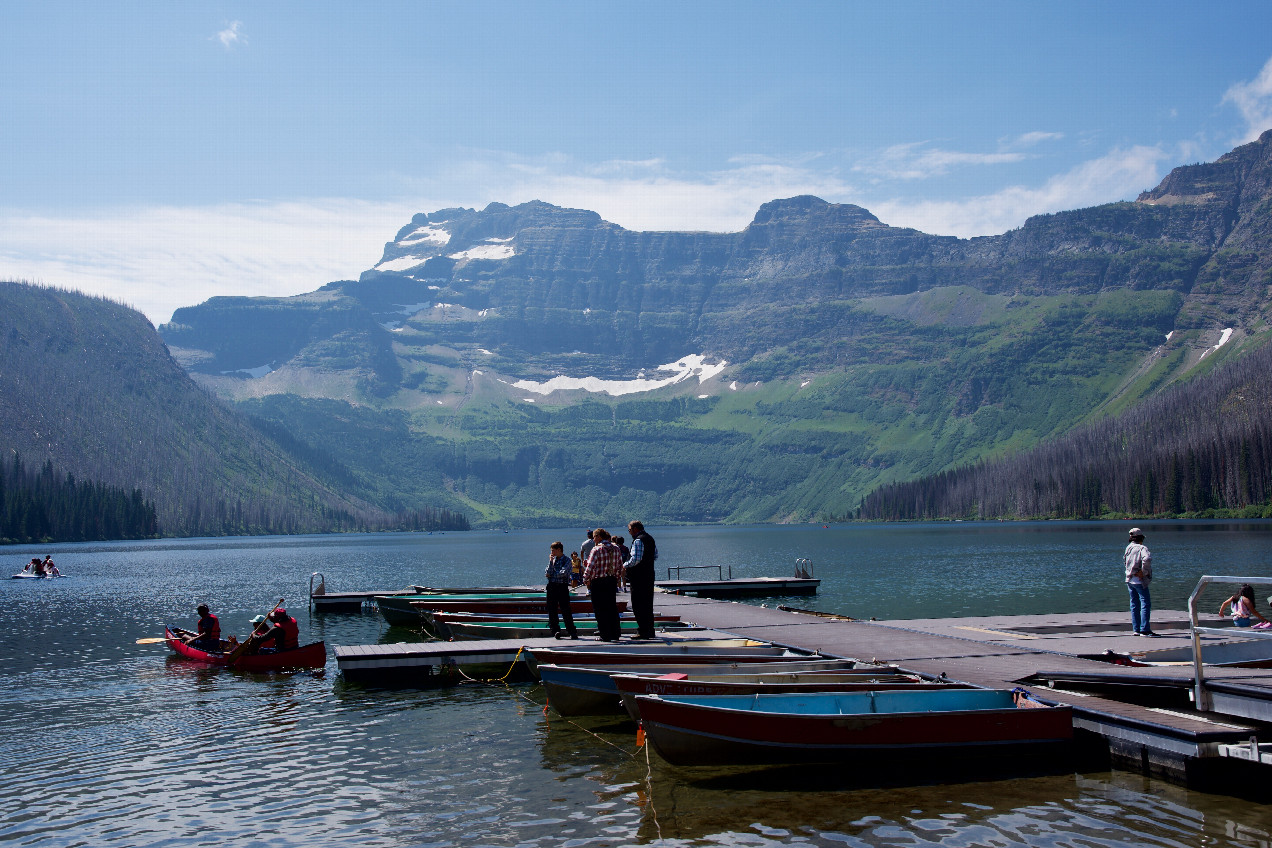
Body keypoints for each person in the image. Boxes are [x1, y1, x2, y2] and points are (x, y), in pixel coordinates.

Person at [582, 528, 623, 641]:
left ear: (599, 537)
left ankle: (605, 634)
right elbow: (620, 566)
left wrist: (585, 579)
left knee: (600, 609)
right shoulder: (616, 548)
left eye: (594, 537)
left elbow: (590, 567)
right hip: (611, 581)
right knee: (612, 607)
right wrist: (616, 578)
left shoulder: (596, 549)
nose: (593, 539)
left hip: (598, 582)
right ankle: (615, 633)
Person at [623, 520, 658, 640]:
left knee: (638, 604)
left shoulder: (638, 540)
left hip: (638, 576)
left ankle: (643, 630)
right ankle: (650, 630)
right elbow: (655, 555)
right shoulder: (650, 538)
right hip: (649, 574)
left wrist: (624, 565)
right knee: (648, 604)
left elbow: (635, 559)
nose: (629, 533)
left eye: (629, 530)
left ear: (635, 529)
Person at [1124, 527, 1155, 636]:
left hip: (1129, 579)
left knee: (1134, 604)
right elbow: (1147, 559)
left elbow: (1125, 561)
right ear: (1141, 538)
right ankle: (1144, 629)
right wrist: (1143, 571)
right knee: (1145, 604)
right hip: (1139, 581)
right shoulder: (1142, 548)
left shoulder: (1128, 548)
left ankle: (1136, 629)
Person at [545, 541, 578, 639]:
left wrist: (552, 575)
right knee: (552, 610)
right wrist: (551, 562)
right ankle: (555, 630)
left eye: (553, 550)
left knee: (565, 609)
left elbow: (563, 573)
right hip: (552, 586)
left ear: (559, 550)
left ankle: (571, 631)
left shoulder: (567, 560)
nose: (552, 553)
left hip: (562, 587)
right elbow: (547, 572)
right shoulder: (553, 560)